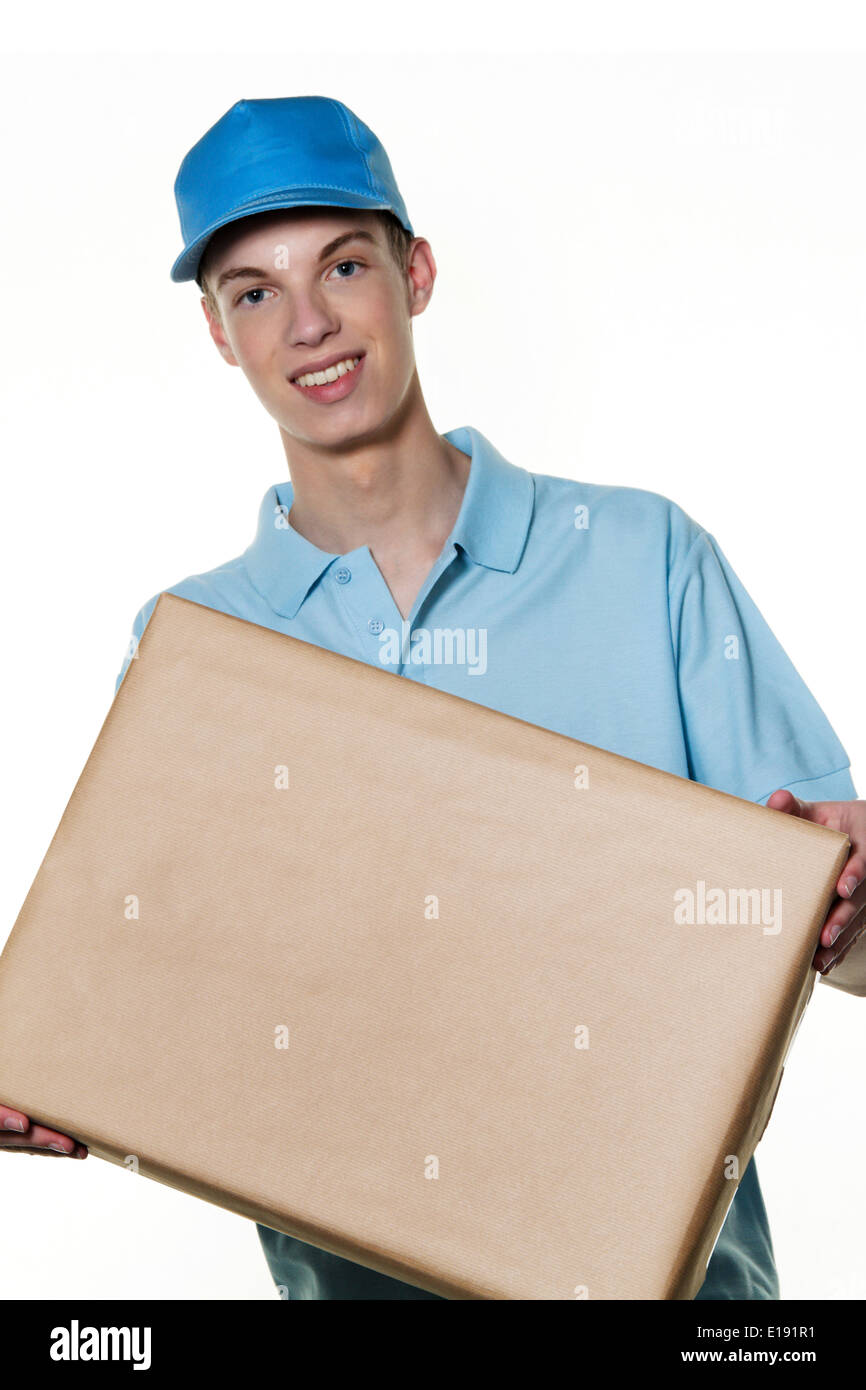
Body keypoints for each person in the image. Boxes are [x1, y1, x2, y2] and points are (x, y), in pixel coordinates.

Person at [3, 95, 864, 1301]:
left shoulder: (639, 558)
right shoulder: (199, 645)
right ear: (216, 333)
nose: (308, 325)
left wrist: (845, 909)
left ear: (413, 272)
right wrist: (44, 1075)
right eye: (253, 290)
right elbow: (164, 991)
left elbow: (838, 939)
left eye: (341, 266)